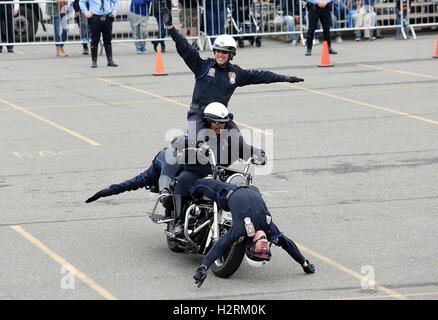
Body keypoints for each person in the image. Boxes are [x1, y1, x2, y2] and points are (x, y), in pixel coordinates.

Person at [160, 5, 304, 144]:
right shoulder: (203, 66)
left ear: (231, 54)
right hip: (199, 114)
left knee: (238, 141)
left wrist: (285, 78)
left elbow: (261, 76)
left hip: (220, 117)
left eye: (224, 52)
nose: (220, 54)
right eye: (218, 51)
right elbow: (185, 48)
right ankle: (184, 141)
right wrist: (171, 28)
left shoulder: (235, 73)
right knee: (197, 144)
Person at [191, 178, 316, 288]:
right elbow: (288, 245)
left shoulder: (241, 231)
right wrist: (304, 264)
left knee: (195, 186)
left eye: (259, 252)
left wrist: (204, 266)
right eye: (266, 252)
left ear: (251, 247)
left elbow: (220, 245)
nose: (264, 249)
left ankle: (181, 214)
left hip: (228, 193)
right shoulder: (271, 232)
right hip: (253, 189)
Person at [171, 102, 267, 236]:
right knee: (184, 180)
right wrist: (195, 144)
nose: (220, 126)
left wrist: (258, 154)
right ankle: (179, 222)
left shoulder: (228, 136)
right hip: (196, 172)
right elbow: (176, 141)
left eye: (223, 122)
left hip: (218, 174)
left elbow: (242, 148)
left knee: (240, 190)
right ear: (207, 121)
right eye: (216, 122)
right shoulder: (197, 132)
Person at [85, 146, 183, 211]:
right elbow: (127, 185)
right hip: (167, 159)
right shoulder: (151, 176)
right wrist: (103, 192)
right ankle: (165, 195)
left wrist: (103, 192)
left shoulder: (149, 176)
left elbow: (126, 185)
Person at [79, 0, 119, 68]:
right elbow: (81, 2)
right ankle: (94, 61)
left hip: (107, 16)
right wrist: (86, 12)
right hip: (95, 17)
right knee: (95, 40)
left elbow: (116, 1)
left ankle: (110, 60)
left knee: (108, 39)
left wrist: (115, 11)